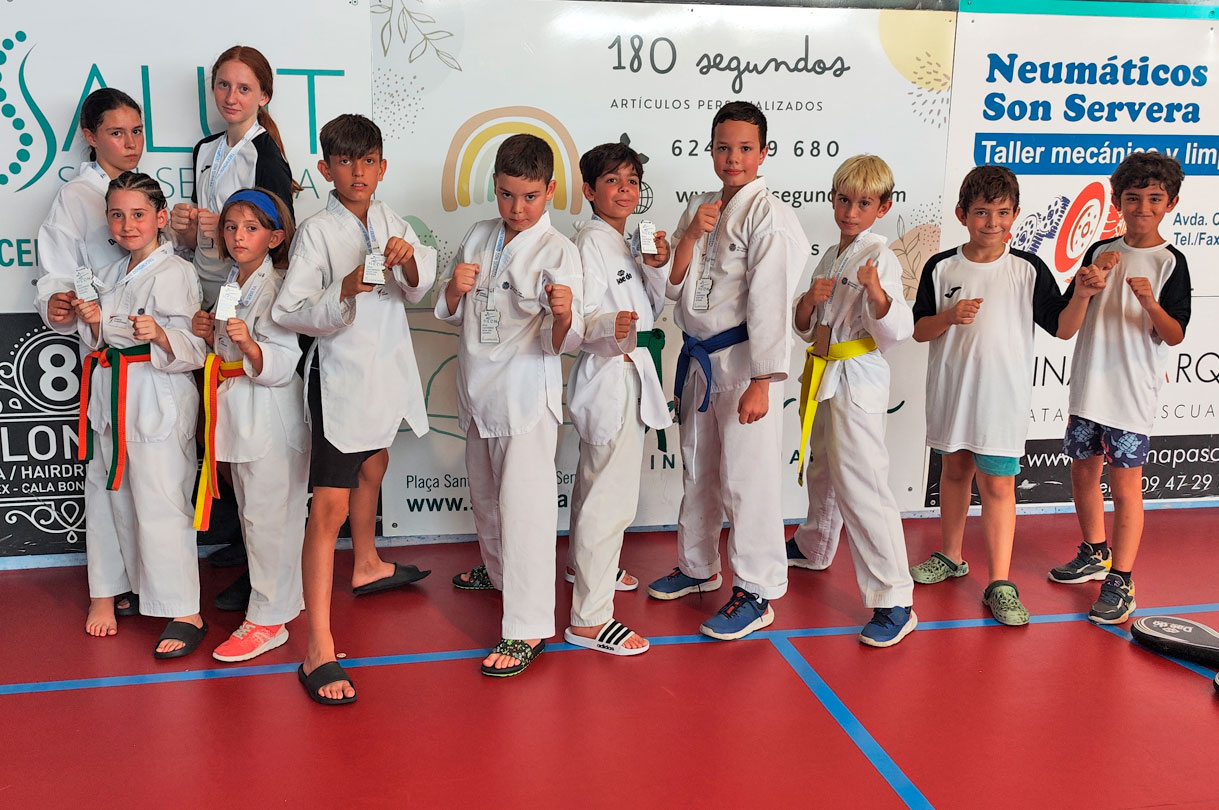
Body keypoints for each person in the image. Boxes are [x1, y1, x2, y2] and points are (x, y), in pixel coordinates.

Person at [273, 114, 435, 704]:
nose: (357, 172)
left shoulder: (391, 220)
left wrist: (408, 259)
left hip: (385, 371)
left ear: (382, 167)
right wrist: (342, 289)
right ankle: (318, 646)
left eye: (367, 161)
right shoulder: (317, 232)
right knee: (329, 508)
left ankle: (366, 563)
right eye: (344, 162)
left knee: (376, 464)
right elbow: (288, 311)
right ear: (326, 169)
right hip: (340, 378)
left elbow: (417, 284)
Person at [646, 101, 810, 640]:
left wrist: (763, 380)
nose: (733, 158)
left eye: (744, 148)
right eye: (723, 147)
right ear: (711, 150)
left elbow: (771, 301)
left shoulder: (772, 217)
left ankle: (758, 590)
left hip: (743, 363)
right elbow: (673, 287)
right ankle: (697, 566)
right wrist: (690, 235)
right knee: (698, 470)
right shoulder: (702, 206)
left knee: (747, 480)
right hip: (699, 358)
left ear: (763, 152)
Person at [909, 165, 1094, 625]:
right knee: (955, 471)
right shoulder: (941, 266)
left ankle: (1000, 583)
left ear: (1015, 214)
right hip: (952, 393)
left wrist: (1082, 295)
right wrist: (949, 316)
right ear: (962, 214)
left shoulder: (1027, 269)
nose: (992, 222)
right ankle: (951, 555)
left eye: (1002, 212)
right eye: (981, 212)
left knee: (997, 485)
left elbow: (1063, 328)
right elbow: (919, 330)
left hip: (1001, 401)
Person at [437, 133, 584, 677]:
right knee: (486, 498)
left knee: (525, 514)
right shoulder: (479, 234)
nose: (517, 208)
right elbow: (448, 310)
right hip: (478, 389)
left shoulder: (559, 251)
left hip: (524, 398)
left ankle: (526, 628)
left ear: (550, 190)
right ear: (494, 187)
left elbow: (564, 340)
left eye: (529, 197)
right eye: (506, 195)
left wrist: (563, 313)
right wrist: (455, 288)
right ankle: (498, 573)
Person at [1048, 152, 1190, 624]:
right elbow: (1067, 322)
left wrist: (1150, 303)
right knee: (1083, 472)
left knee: (1126, 486)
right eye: (1133, 198)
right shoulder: (1099, 251)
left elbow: (1174, 335)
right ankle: (1095, 552)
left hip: (1130, 392)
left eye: (1154, 198)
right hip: (1089, 385)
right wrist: (1087, 284)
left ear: (1170, 203)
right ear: (1117, 202)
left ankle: (1122, 579)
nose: (1142, 207)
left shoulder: (1171, 262)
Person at [72, 171, 208, 657]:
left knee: (161, 500)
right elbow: (98, 339)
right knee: (107, 496)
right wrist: (92, 324)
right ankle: (108, 592)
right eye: (117, 215)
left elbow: (195, 346)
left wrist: (161, 334)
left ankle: (184, 609)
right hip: (110, 396)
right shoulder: (109, 274)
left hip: (155, 396)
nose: (127, 225)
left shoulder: (177, 273)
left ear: (161, 218)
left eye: (138, 214)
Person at [787, 154, 917, 647]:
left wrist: (877, 292)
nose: (850, 211)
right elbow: (806, 326)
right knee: (822, 466)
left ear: (883, 208)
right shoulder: (831, 254)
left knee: (863, 485)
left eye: (863, 203)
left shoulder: (879, 256)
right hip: (825, 372)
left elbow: (896, 329)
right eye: (844, 200)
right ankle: (815, 543)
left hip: (856, 375)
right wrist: (808, 300)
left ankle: (894, 597)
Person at [181, 189, 308, 661]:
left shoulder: (279, 287)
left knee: (269, 518)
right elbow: (225, 347)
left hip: (270, 411)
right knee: (258, 515)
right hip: (239, 405)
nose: (238, 236)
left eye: (251, 228)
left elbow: (285, 358)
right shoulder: (233, 282)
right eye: (231, 227)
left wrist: (253, 347)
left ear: (274, 238)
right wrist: (207, 333)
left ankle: (268, 621)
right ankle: (277, 604)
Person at [37, 88, 145, 636]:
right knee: (106, 480)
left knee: (155, 483)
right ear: (90, 136)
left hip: (155, 361)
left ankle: (149, 584)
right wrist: (56, 301)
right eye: (116, 133)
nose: (130, 143)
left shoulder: (148, 193)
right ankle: (105, 590)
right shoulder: (76, 197)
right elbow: (58, 272)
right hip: (105, 357)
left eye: (136, 131)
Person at [564, 142, 672, 657]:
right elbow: (578, 322)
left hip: (629, 370)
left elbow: (653, 305)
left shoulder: (624, 241)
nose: (625, 190)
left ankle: (582, 568)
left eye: (632, 181)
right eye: (612, 181)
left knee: (596, 484)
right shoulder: (589, 243)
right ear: (589, 191)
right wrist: (614, 324)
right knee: (610, 498)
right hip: (611, 373)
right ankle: (589, 619)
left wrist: (656, 265)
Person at [173, 45, 297, 307]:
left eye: (244, 89)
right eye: (223, 85)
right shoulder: (204, 149)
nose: (230, 98)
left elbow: (282, 244)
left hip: (243, 294)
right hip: (198, 289)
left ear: (263, 96)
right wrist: (187, 227)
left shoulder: (266, 157)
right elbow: (198, 243)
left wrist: (227, 227)